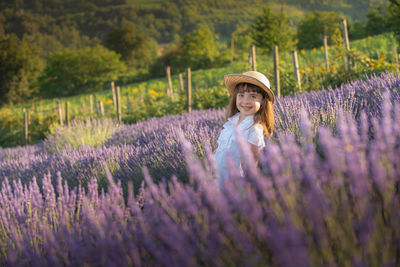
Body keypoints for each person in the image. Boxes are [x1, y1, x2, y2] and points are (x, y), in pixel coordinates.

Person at [214, 71, 275, 187]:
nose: (246, 101)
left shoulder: (254, 130)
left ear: (262, 101)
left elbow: (251, 166)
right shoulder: (231, 123)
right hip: (218, 181)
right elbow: (220, 150)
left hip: (235, 185)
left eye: (253, 96)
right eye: (241, 95)